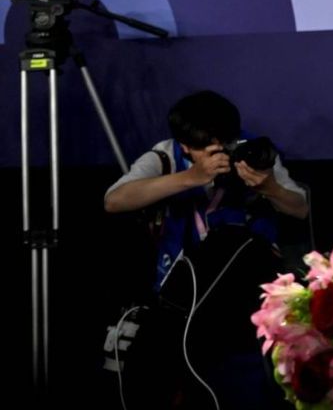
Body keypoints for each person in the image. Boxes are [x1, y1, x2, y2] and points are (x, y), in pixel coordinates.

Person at [104, 90, 308, 409]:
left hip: (248, 292)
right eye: (205, 148)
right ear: (186, 145)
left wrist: (269, 187)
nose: (218, 153)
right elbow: (114, 200)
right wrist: (190, 177)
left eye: (224, 143)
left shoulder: (252, 150)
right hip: (184, 296)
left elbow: (300, 208)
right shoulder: (165, 156)